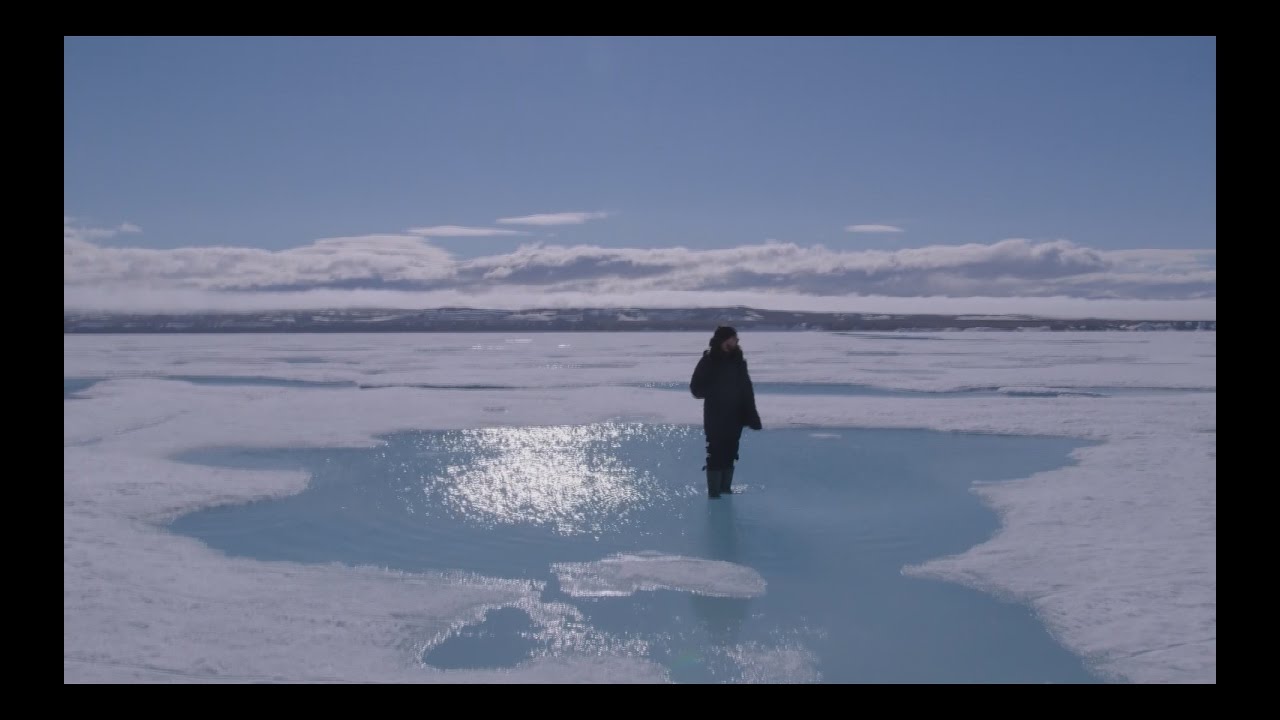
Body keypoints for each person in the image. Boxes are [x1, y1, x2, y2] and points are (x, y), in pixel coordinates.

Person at [689, 326, 762, 498]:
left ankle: (725, 490)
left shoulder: (739, 362)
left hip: (735, 416)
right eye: (734, 338)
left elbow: (747, 389)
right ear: (724, 340)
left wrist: (752, 415)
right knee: (715, 454)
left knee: (730, 452)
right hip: (715, 416)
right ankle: (714, 494)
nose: (737, 341)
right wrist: (715, 389)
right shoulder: (708, 361)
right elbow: (695, 389)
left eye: (736, 338)